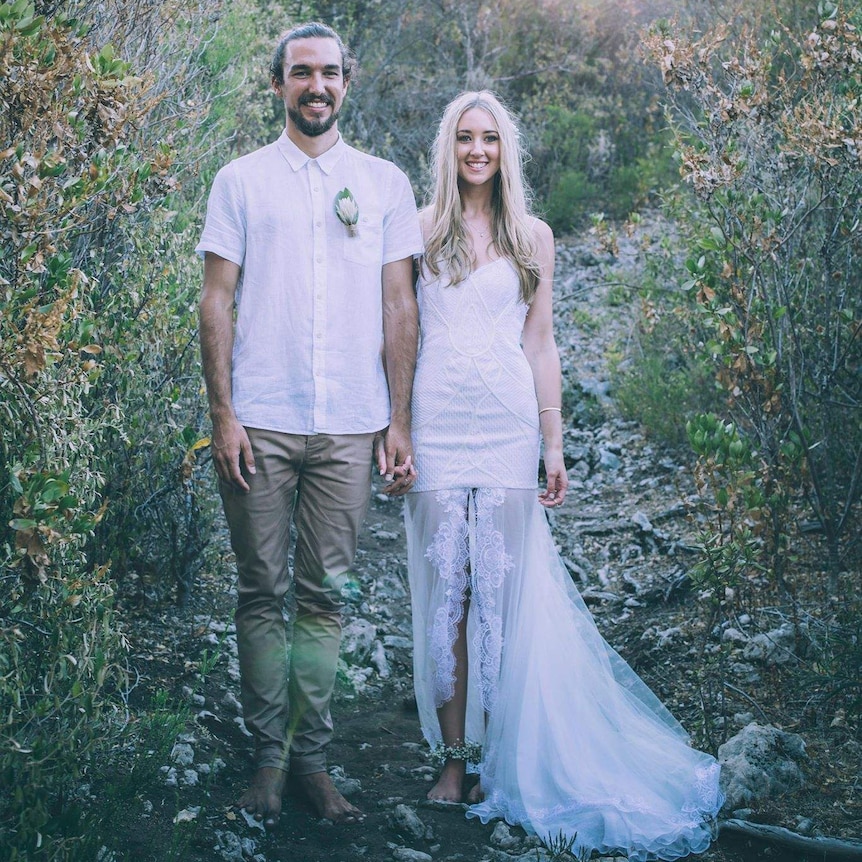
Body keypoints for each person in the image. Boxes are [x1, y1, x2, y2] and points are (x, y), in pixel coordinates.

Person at [404, 90, 723, 861]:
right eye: (465, 139)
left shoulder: (533, 237)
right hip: (438, 424)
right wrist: (396, 431)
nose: (477, 151)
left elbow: (541, 344)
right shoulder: (416, 229)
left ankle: (508, 756)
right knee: (449, 588)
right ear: (448, 150)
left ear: (506, 151)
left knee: (505, 593)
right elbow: (400, 331)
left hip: (508, 423)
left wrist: (553, 444)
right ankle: (455, 762)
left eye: (489, 139)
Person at [196, 22, 422, 828]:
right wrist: (223, 413)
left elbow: (401, 304)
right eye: (301, 74)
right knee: (261, 590)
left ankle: (314, 764)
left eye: (328, 73)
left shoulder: (386, 184)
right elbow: (216, 299)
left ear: (347, 83)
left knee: (326, 595)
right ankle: (267, 760)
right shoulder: (241, 181)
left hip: (351, 425)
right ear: (277, 84)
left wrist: (398, 420)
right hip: (259, 419)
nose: (315, 86)